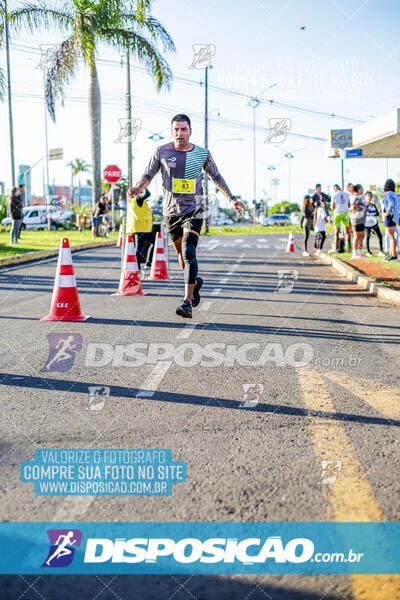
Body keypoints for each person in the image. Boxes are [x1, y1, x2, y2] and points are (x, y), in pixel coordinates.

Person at [129, 113, 245, 318]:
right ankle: (196, 283)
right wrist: (138, 187)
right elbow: (148, 174)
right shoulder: (161, 151)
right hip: (171, 211)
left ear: (190, 131)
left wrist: (232, 198)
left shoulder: (201, 154)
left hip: (195, 209)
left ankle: (187, 302)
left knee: (189, 251)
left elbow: (216, 176)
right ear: (171, 131)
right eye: (176, 129)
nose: (180, 133)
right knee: (182, 257)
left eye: (183, 129)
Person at [126, 188, 153, 274]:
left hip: (143, 228)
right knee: (139, 249)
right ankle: (137, 268)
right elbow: (148, 193)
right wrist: (142, 186)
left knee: (154, 242)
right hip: (141, 228)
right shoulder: (137, 199)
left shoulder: (132, 201)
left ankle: (148, 263)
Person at [382, 178, 400, 262]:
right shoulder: (395, 194)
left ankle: (393, 255)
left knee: (391, 236)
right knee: (392, 236)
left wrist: (387, 213)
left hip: (390, 216)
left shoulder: (388, 193)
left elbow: (391, 204)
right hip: (395, 217)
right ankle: (392, 253)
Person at [330, 184, 350, 253]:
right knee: (347, 232)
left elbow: (332, 207)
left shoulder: (334, 195)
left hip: (338, 213)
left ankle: (336, 248)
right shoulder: (347, 194)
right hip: (345, 214)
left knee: (336, 232)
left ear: (335, 189)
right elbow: (349, 204)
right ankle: (348, 248)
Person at [349, 183, 367, 258]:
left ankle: (360, 252)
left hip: (361, 219)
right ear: (358, 190)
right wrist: (358, 211)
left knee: (362, 236)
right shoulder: (355, 197)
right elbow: (353, 206)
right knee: (357, 236)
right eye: (361, 188)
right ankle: (354, 253)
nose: (362, 190)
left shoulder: (360, 197)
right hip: (356, 219)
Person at [364, 191, 384, 257]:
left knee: (380, 236)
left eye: (370, 196)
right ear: (365, 197)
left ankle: (381, 250)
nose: (369, 198)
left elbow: (377, 214)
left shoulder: (373, 205)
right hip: (367, 224)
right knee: (368, 237)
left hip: (374, 224)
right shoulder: (364, 205)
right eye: (368, 196)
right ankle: (368, 252)